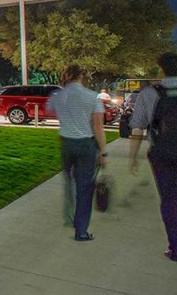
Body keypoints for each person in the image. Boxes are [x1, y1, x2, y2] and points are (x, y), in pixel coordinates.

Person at [128, 52, 177, 262]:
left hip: (162, 154)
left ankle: (176, 248)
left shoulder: (149, 94)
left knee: (169, 200)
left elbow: (137, 127)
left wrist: (132, 156)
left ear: (161, 69)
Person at [47, 64, 108, 242]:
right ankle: (81, 230)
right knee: (84, 188)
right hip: (85, 145)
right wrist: (103, 152)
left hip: (66, 143)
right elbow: (98, 127)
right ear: (81, 76)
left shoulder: (57, 96)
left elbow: (51, 110)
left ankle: (70, 216)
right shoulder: (92, 97)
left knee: (69, 182)